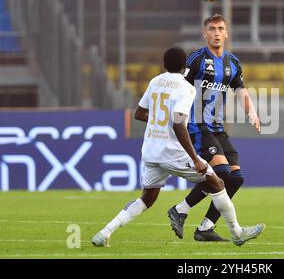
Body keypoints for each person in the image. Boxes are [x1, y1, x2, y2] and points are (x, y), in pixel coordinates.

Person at [91, 47, 265, 247]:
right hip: (172, 152)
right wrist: (195, 159)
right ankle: (237, 233)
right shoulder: (186, 88)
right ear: (184, 68)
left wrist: (158, 120)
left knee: (146, 199)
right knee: (217, 183)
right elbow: (177, 122)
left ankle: (105, 232)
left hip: (150, 151)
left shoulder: (155, 82)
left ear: (164, 65)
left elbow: (139, 113)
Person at [167, 14, 261, 242]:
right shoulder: (196, 60)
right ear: (205, 33)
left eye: (220, 28)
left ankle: (205, 228)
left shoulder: (233, 63)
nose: (217, 33)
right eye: (212, 29)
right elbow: (180, 89)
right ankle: (180, 210)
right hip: (198, 126)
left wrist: (252, 112)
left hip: (218, 128)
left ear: (226, 33)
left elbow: (241, 91)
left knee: (236, 178)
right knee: (220, 173)